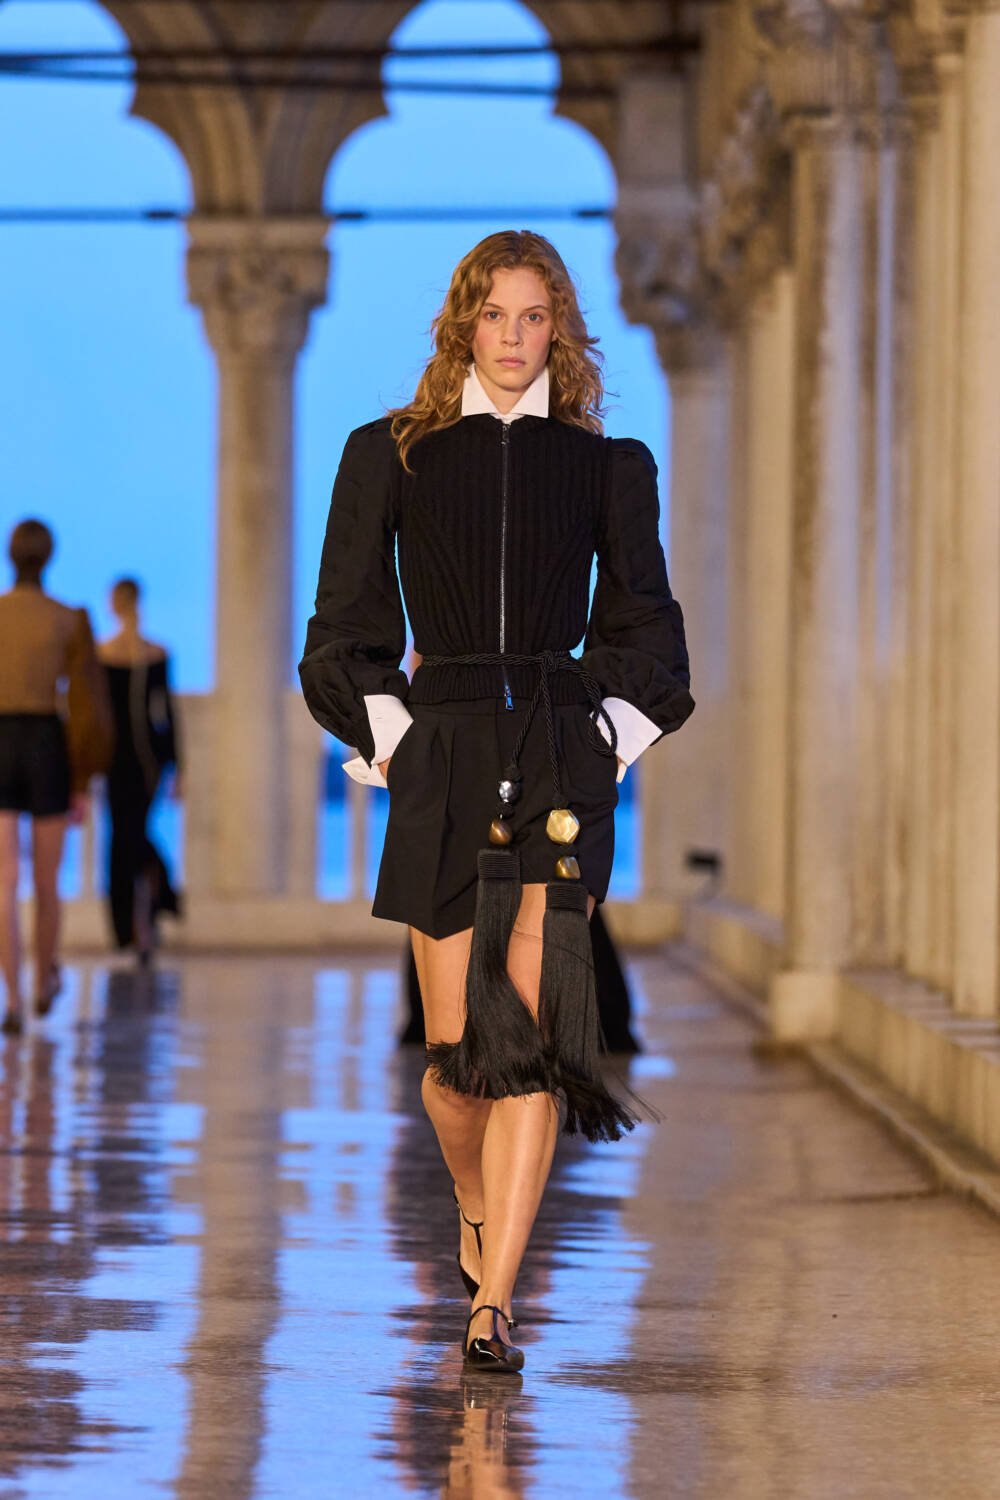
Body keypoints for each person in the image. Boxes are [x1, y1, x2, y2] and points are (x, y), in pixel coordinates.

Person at [300, 231, 694, 1373]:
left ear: (558, 329)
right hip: (444, 750)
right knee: (454, 1067)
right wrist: (396, 737)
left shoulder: (605, 465)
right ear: (462, 324)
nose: (514, 338)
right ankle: (476, 1209)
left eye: (534, 317)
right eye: (494, 315)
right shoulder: (390, 453)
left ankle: (496, 1303)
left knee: (527, 1047)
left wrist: (607, 737)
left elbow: (647, 624)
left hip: (559, 756)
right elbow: (341, 627)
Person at [0, 519, 112, 1033]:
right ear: (49, 557)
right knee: (47, 882)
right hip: (46, 743)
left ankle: (13, 1000)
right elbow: (88, 706)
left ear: (10, 555)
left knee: (5, 882)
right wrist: (82, 778)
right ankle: (44, 980)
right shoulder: (68, 618)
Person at [98, 577, 182, 963]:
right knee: (125, 838)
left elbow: (167, 714)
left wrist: (179, 767)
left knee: (130, 837)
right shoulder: (103, 654)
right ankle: (139, 925)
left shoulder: (155, 654)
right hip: (118, 759)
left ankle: (141, 926)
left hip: (146, 760)